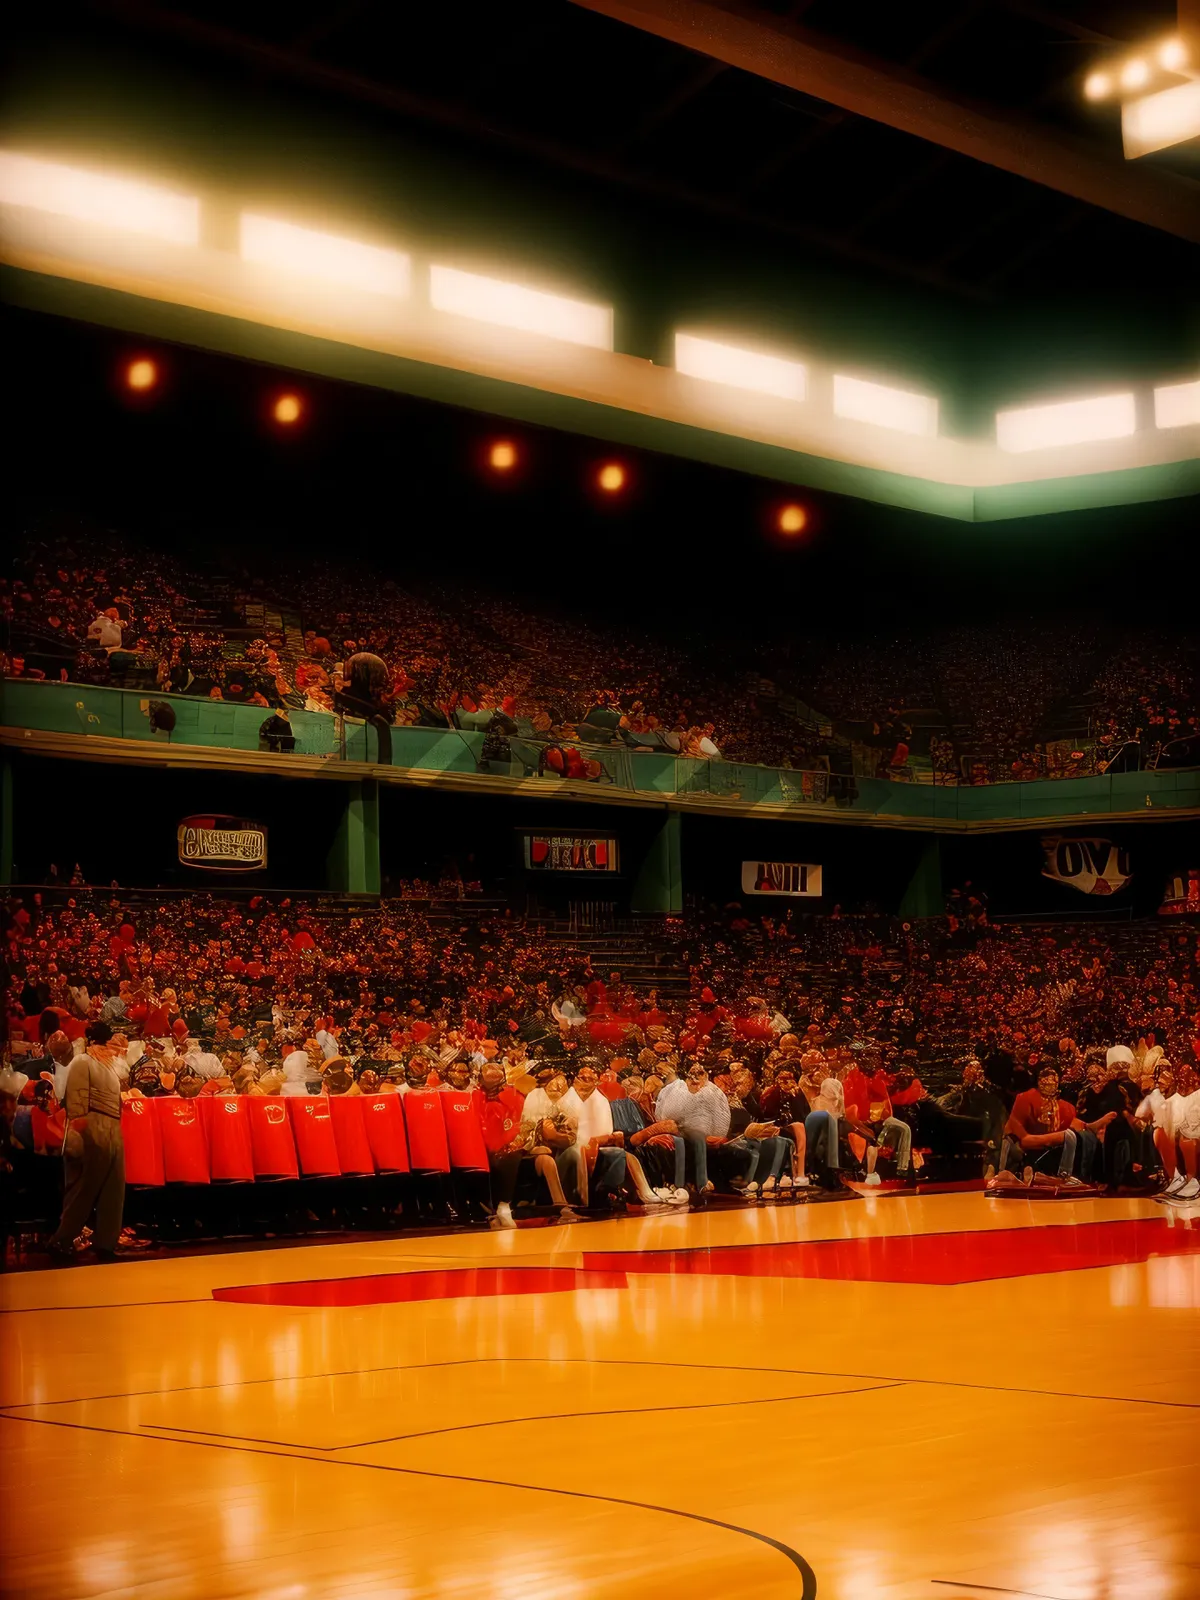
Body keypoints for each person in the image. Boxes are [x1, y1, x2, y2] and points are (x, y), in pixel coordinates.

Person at [47, 1019, 126, 1260]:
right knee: (84, 1187)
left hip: (112, 1126)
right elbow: (78, 1099)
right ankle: (61, 1239)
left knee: (114, 1189)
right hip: (91, 1125)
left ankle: (105, 1243)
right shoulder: (84, 1061)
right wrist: (79, 1132)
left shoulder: (110, 1065)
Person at [1003, 1063, 1096, 1187]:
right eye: (1046, 1077)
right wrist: (1057, 1137)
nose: (1050, 1081)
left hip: (1054, 1151)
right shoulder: (1025, 1099)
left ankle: (1069, 1175)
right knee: (1070, 1136)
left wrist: (1096, 1127)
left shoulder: (1067, 1106)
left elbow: (1080, 1125)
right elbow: (1023, 1140)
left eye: (1054, 1077)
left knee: (1084, 1137)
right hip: (1028, 1151)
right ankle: (1063, 1175)